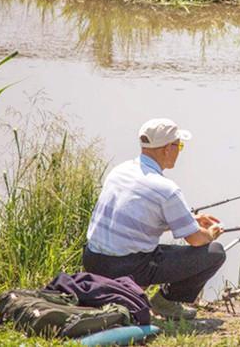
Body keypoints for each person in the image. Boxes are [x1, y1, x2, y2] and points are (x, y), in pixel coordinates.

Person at [82, 118, 225, 320]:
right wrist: (210, 233)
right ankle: (165, 302)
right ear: (167, 149)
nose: (180, 151)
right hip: (126, 266)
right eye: (179, 146)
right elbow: (196, 240)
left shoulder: (120, 171)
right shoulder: (166, 189)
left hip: (93, 260)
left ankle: (126, 292)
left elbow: (137, 217)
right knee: (215, 253)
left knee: (153, 249)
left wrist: (190, 219)